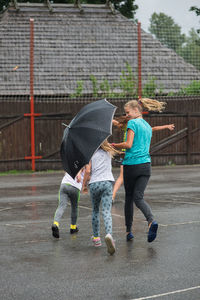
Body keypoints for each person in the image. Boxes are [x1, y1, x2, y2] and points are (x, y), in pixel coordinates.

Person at [112, 98, 171, 243]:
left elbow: (129, 144)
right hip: (146, 166)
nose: (127, 116)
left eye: (127, 113)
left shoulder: (133, 123)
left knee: (129, 198)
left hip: (132, 165)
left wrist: (114, 145)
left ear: (135, 110)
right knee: (139, 198)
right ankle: (151, 221)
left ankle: (128, 232)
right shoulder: (146, 124)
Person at [112, 113, 175, 204]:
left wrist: (166, 126)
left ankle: (115, 196)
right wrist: (166, 126)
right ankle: (115, 196)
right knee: (125, 178)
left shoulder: (128, 125)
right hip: (130, 155)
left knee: (125, 178)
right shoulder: (131, 125)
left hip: (128, 155)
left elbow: (115, 122)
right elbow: (153, 128)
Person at [83, 140, 121, 255]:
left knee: (95, 210)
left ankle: (96, 238)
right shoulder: (109, 151)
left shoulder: (91, 153)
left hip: (94, 183)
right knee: (106, 211)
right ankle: (109, 235)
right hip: (107, 183)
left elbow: (88, 171)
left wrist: (84, 185)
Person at [51, 168, 85, 239]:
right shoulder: (82, 160)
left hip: (64, 184)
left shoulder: (69, 159)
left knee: (61, 206)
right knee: (74, 207)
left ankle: (56, 224)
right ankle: (73, 227)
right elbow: (84, 171)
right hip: (75, 187)